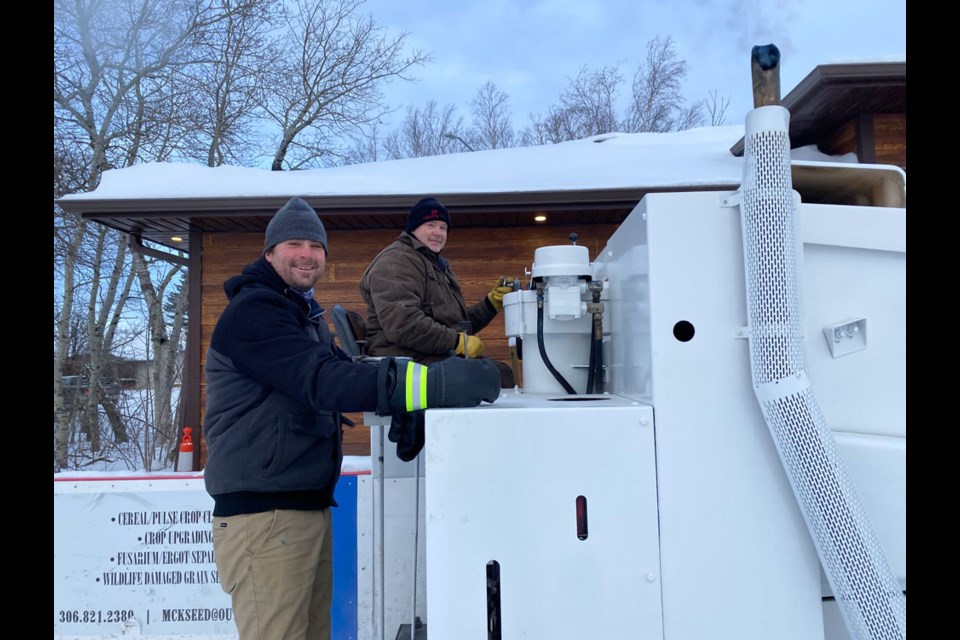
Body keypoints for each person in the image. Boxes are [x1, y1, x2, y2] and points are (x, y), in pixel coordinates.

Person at [202, 196, 500, 640]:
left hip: (300, 505)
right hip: (264, 514)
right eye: (294, 244)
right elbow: (324, 379)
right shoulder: (256, 313)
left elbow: (349, 369)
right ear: (269, 253)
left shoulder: (302, 313)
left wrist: (408, 402)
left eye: (315, 246)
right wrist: (432, 384)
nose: (307, 254)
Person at [359, 196, 516, 385]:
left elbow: (455, 324)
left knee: (501, 374)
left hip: (431, 357)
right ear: (413, 228)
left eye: (443, 227)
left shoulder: (434, 263)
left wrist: (491, 304)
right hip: (405, 366)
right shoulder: (397, 261)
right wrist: (456, 342)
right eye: (431, 225)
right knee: (493, 377)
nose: (438, 233)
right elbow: (403, 324)